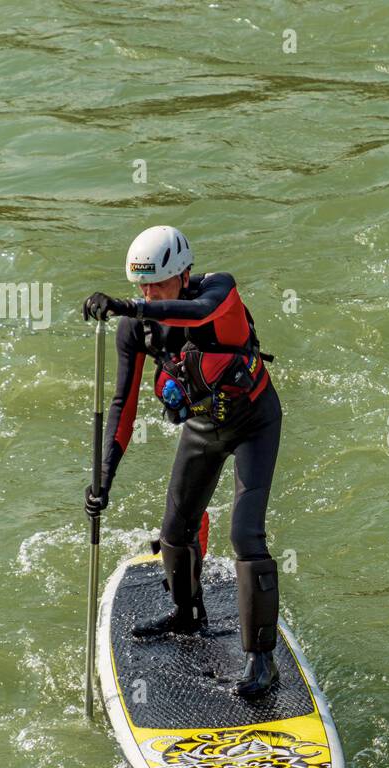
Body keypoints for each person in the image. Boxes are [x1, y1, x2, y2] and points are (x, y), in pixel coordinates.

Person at [82, 225, 281, 697]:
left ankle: (261, 660)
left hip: (254, 422)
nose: (148, 294)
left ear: (184, 274)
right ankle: (188, 616)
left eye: (158, 284)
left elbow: (197, 313)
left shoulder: (218, 291)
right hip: (202, 427)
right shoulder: (137, 328)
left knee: (244, 533)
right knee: (175, 531)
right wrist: (102, 480)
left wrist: (130, 305)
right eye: (141, 287)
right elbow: (122, 406)